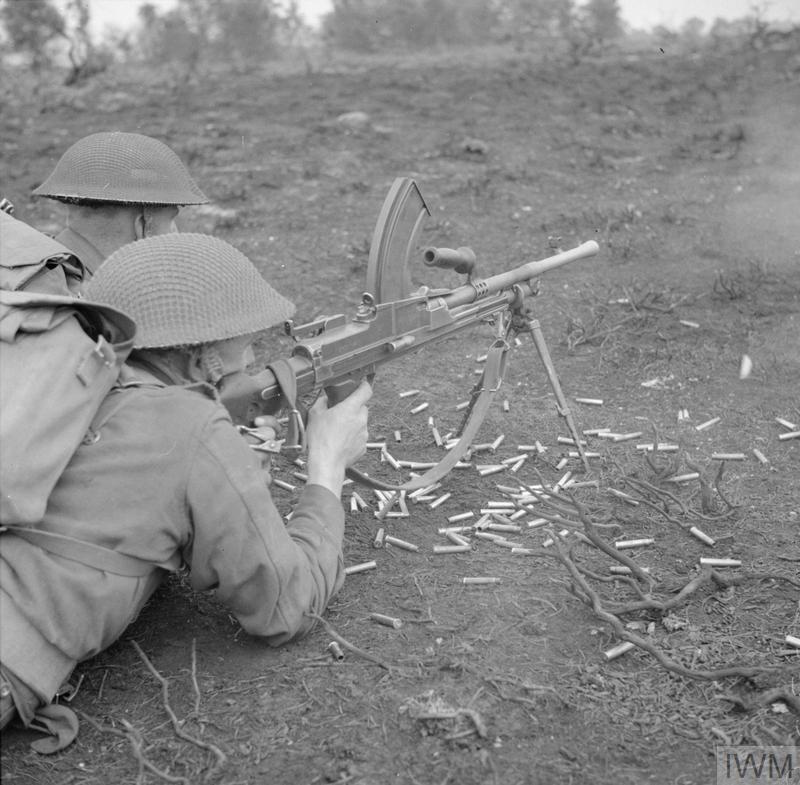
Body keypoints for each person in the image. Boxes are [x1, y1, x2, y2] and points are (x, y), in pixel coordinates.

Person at [0, 233, 371, 751]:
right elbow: (284, 608)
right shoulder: (190, 425)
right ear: (204, 361)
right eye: (245, 343)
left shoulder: (60, 368)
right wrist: (327, 467)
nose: (254, 354)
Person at [31, 131, 209, 279]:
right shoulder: (99, 307)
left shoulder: (33, 265)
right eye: (171, 221)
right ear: (142, 225)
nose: (175, 233)